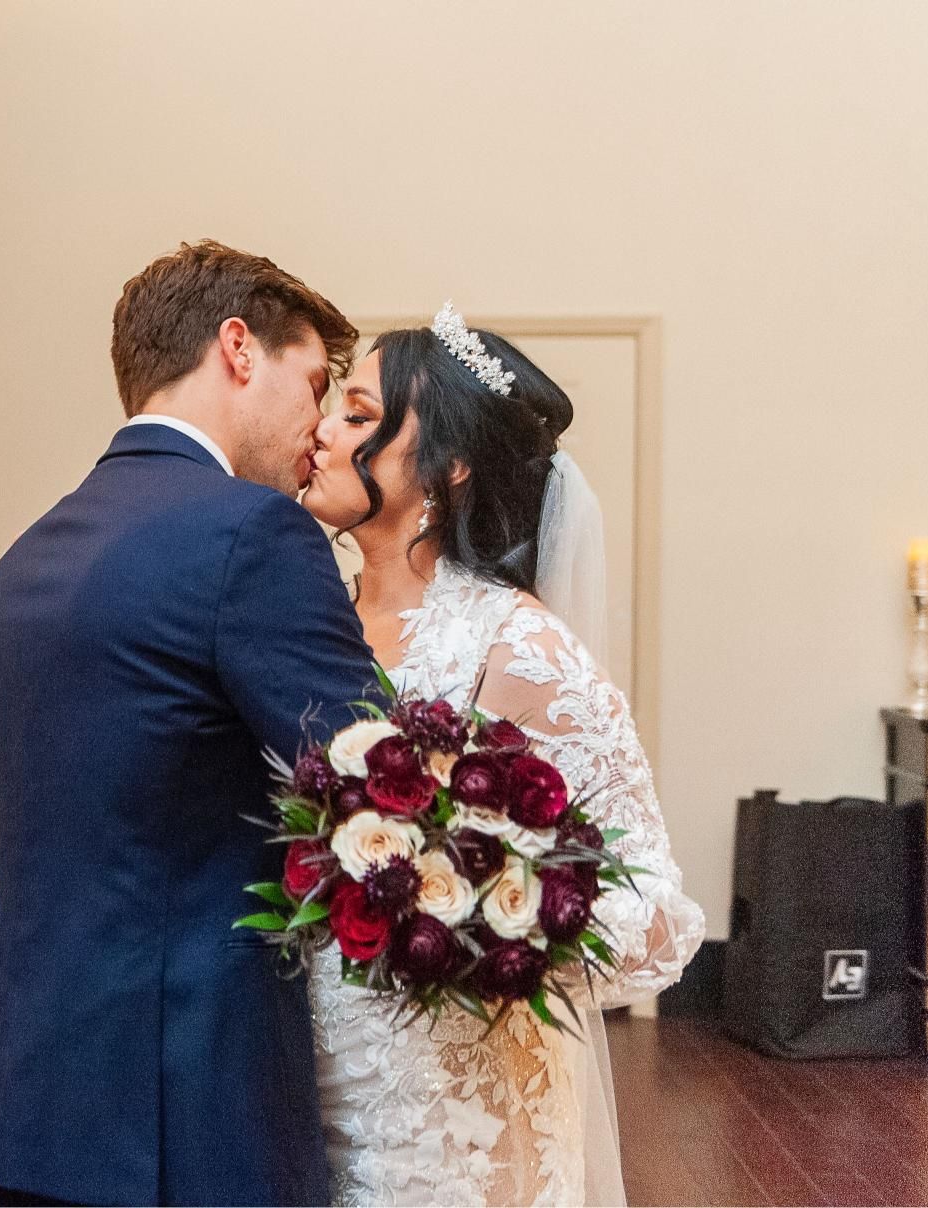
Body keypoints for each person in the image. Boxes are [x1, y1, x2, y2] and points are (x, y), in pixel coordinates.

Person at [0, 241, 382, 1206]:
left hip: (26, 1092)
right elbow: (379, 790)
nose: (318, 427)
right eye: (313, 385)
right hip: (178, 1106)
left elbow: (0, 830)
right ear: (237, 348)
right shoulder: (251, 533)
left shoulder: (24, 557)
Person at [298, 303, 705, 1206]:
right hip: (303, 1076)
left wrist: (486, 904)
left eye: (359, 417)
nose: (322, 430)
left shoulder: (513, 645)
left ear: (446, 468)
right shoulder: (301, 616)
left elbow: (654, 911)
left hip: (451, 1108)